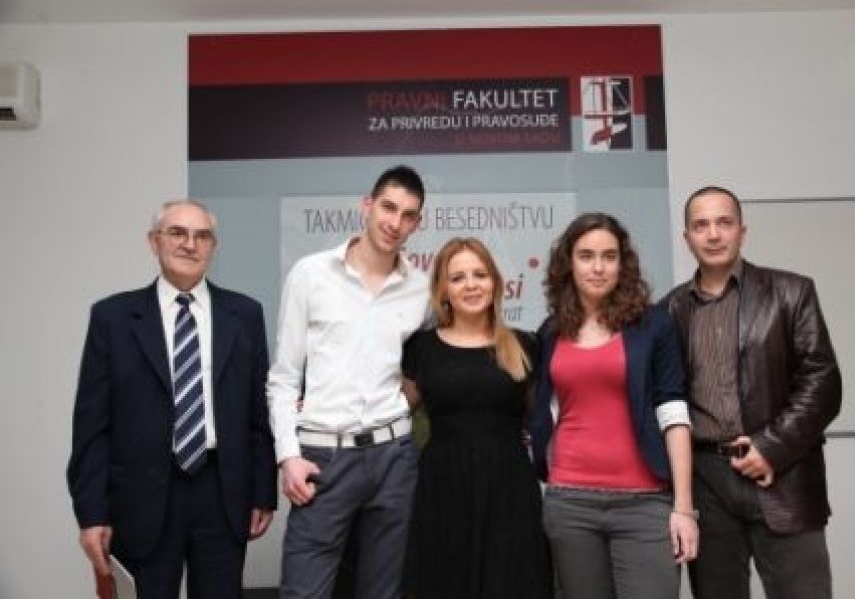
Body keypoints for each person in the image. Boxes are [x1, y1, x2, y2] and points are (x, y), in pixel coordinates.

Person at [67, 199, 277, 599]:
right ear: (154, 241)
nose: (189, 244)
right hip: (140, 496)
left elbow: (258, 413)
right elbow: (91, 428)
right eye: (177, 233)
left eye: (202, 236)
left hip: (222, 493)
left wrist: (263, 492)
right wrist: (91, 513)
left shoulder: (245, 314)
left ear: (213, 246)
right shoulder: (112, 318)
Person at [665, 186, 841, 599]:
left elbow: (823, 381)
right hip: (706, 483)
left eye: (724, 223)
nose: (713, 234)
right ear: (686, 238)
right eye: (701, 225)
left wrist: (772, 447)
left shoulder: (792, 292)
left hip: (784, 474)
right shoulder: (669, 310)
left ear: (742, 231)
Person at [268, 165, 429, 599]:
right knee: (304, 593)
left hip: (394, 458)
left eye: (408, 215)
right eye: (388, 208)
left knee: (384, 592)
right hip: (324, 457)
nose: (395, 223)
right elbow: (283, 378)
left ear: (417, 223)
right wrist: (288, 456)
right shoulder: (311, 274)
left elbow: (429, 366)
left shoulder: (421, 289)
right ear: (367, 205)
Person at [530, 212, 698, 599]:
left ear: (623, 264)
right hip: (569, 502)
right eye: (586, 256)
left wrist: (684, 509)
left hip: (645, 503)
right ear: (568, 263)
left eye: (609, 256)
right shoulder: (551, 332)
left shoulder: (653, 324)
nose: (598, 267)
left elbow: (674, 413)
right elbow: (543, 410)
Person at [401, 237, 553, 599]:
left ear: (495, 283)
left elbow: (542, 419)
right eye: (457, 278)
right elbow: (393, 410)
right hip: (442, 489)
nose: (471, 285)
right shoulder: (421, 348)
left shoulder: (524, 344)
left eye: (480, 275)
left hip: (510, 490)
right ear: (442, 290)